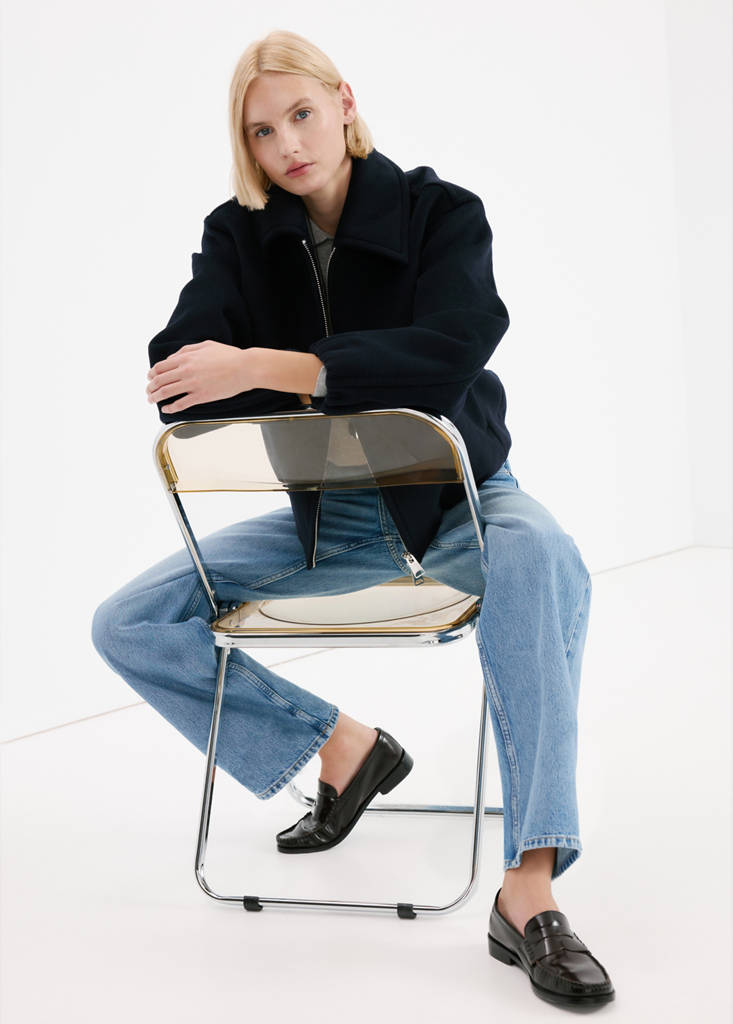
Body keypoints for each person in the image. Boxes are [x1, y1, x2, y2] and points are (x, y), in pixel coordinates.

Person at [91, 29, 615, 1011]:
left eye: (300, 113)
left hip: (458, 502)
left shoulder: (438, 213)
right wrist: (323, 374)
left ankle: (530, 887)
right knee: (127, 624)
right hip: (327, 522)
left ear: (342, 101)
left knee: (545, 556)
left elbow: (452, 349)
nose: (288, 143)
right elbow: (178, 380)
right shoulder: (238, 236)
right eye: (262, 131)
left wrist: (265, 366)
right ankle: (345, 749)